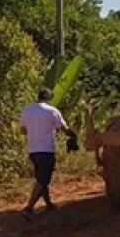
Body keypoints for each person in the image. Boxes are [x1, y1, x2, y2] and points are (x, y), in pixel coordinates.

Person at [19, 88, 76, 220]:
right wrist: (74, 135)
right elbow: (63, 128)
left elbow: (22, 130)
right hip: (46, 150)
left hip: (33, 150)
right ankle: (29, 208)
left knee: (41, 178)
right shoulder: (52, 111)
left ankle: (48, 204)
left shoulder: (27, 110)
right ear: (49, 98)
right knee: (43, 180)